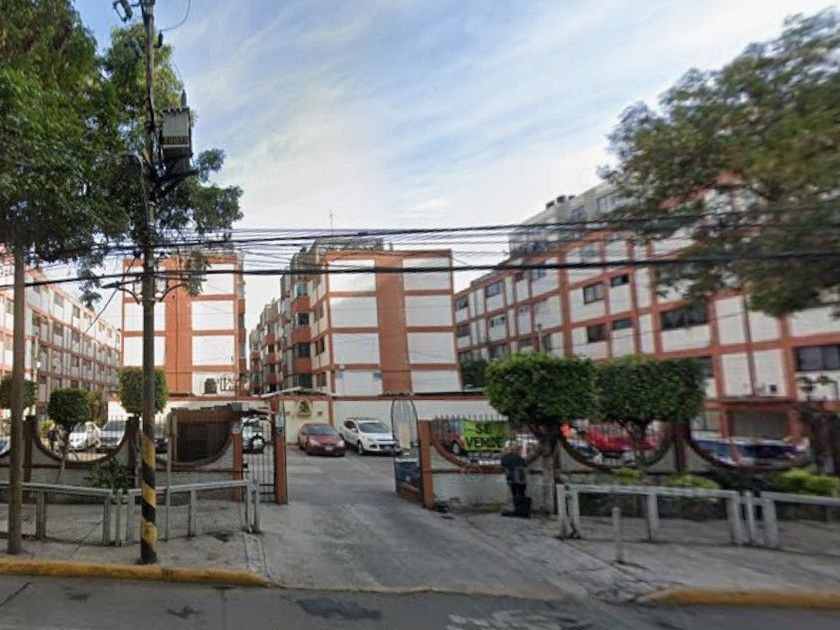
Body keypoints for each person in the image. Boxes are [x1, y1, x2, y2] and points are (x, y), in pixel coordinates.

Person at [500, 445, 529, 517]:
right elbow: (525, 465)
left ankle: (516, 510)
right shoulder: (518, 457)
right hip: (521, 478)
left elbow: (504, 468)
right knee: (521, 494)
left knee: (514, 494)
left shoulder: (505, 458)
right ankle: (521, 510)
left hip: (513, 478)